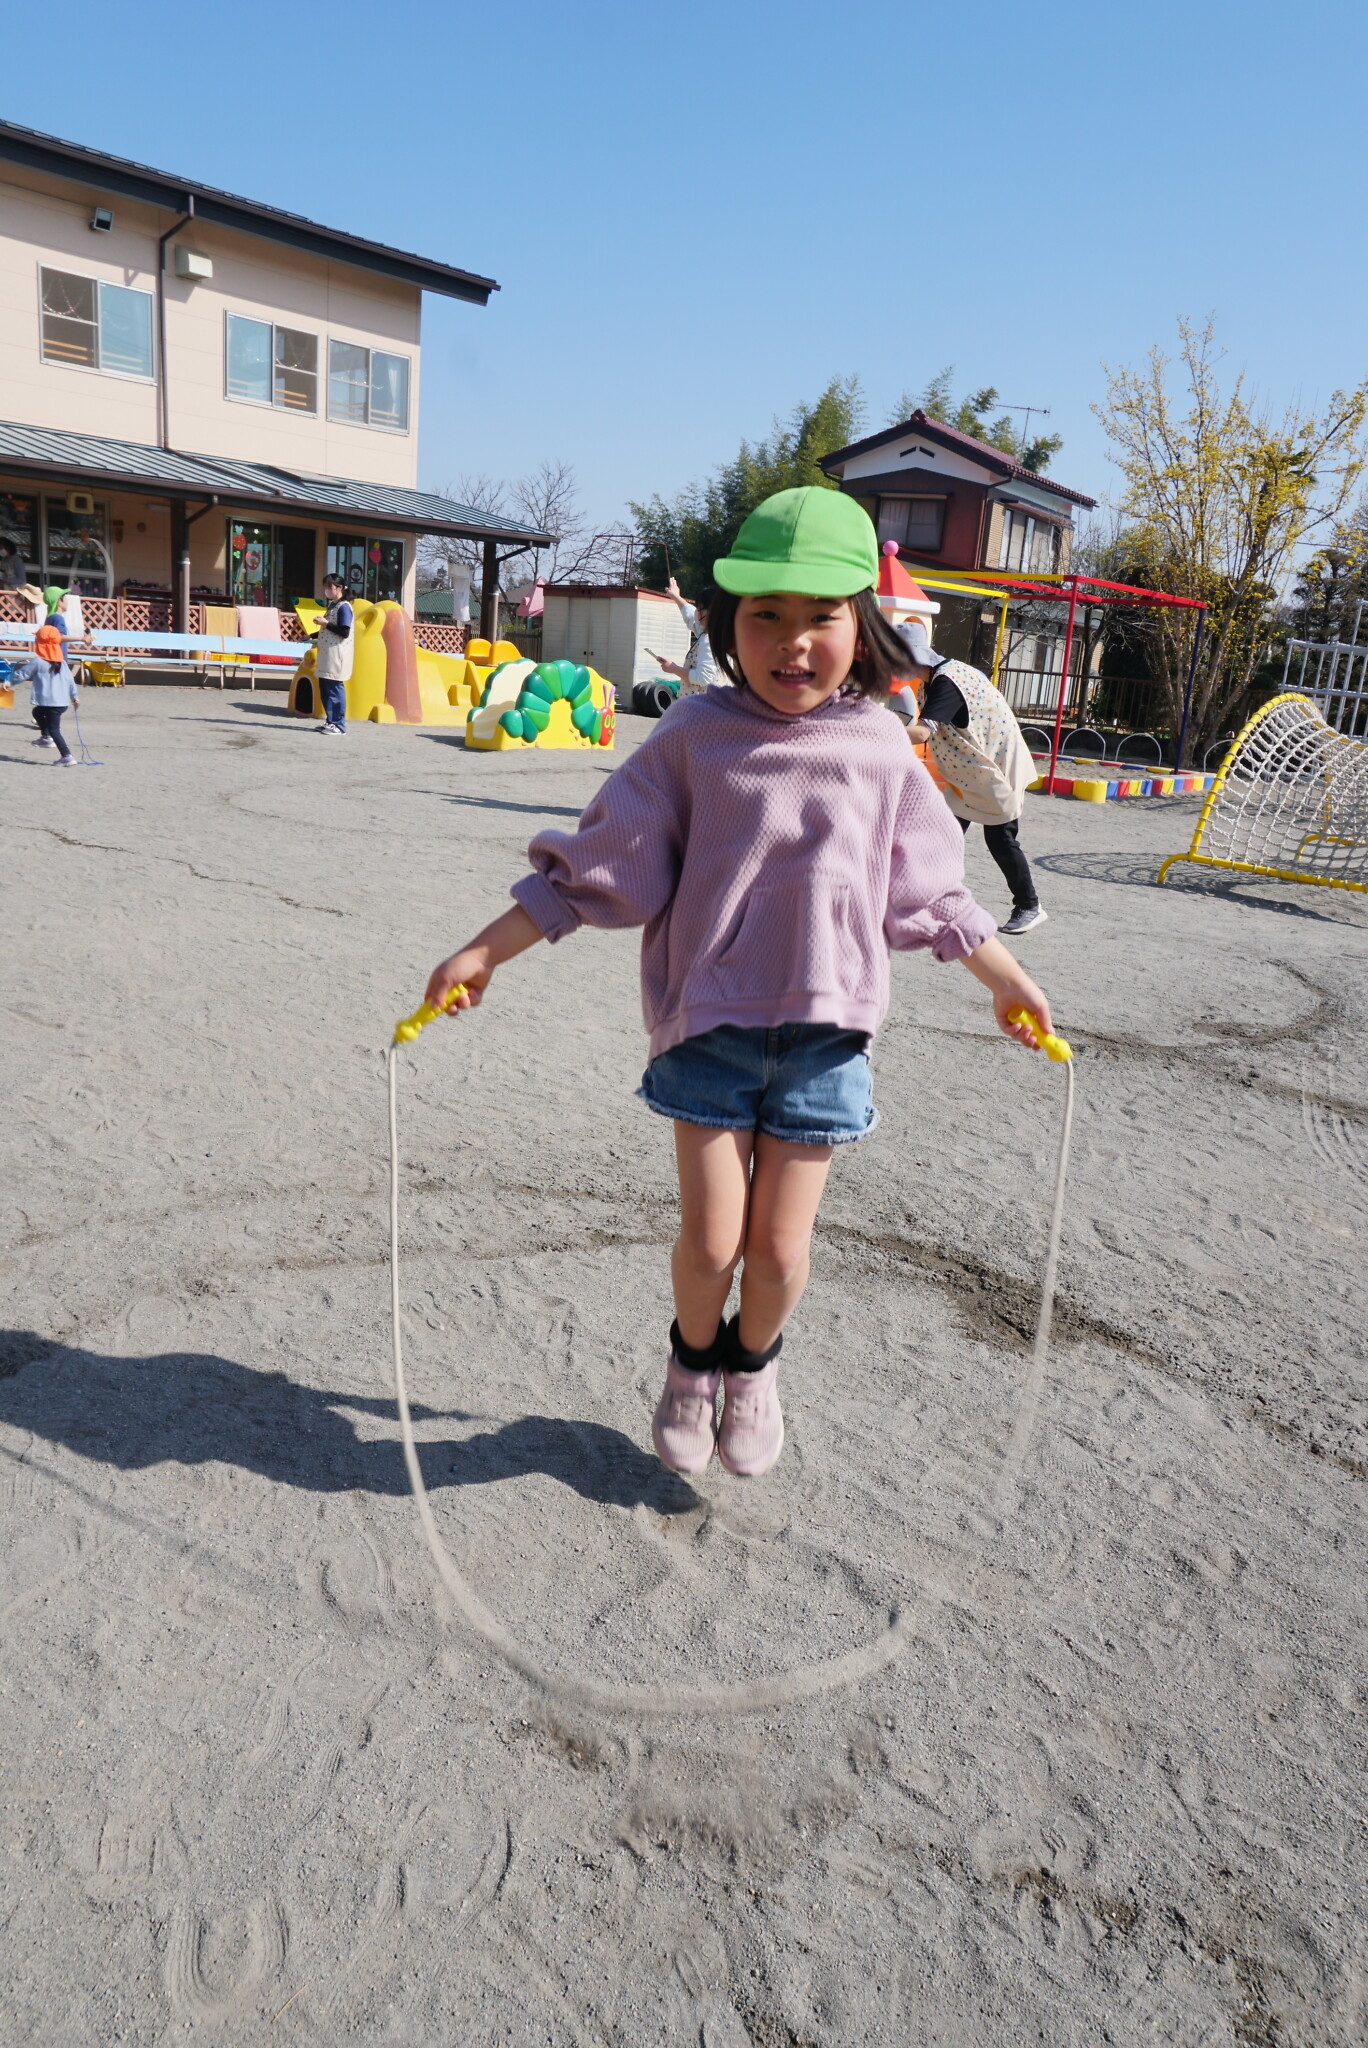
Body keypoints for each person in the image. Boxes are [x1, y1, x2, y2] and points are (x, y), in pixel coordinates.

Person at [421, 487, 1055, 1482]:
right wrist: (484, 950)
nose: (792, 641)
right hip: (708, 1032)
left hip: (826, 1042)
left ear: (862, 625)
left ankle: (753, 1368)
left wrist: (1004, 977)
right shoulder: (693, 736)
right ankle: (691, 1363)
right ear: (726, 623)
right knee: (713, 1241)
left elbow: (931, 889)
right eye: (766, 614)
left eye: (821, 616)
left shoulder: (882, 747)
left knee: (779, 1252)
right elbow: (603, 866)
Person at [895, 620, 1046, 936]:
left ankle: (1029, 905)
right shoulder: (936, 679)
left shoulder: (945, 683)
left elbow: (922, 733)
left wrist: (874, 728)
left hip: (996, 771)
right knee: (943, 835)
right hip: (971, 774)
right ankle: (926, 900)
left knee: (1001, 840)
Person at [15, 622, 79, 764]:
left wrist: (8, 683)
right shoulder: (62, 662)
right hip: (61, 702)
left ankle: (67, 756)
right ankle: (46, 737)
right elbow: (70, 680)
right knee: (37, 712)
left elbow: (22, 674)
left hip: (52, 703)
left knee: (55, 730)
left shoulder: (39, 661)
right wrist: (74, 696)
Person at [655, 577, 724, 697]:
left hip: (703, 706)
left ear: (711, 612)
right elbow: (691, 617)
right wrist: (676, 596)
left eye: (699, 608)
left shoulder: (709, 641)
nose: (696, 611)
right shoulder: (715, 635)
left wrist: (673, 668)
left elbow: (703, 677)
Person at [314, 572, 354, 735]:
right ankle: (330, 721)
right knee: (325, 688)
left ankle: (339, 724)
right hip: (326, 653)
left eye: (330, 586)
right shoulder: (332, 605)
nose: (327, 590)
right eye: (325, 586)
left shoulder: (344, 607)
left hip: (337, 653)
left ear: (340, 588)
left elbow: (344, 631)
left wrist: (325, 623)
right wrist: (311, 635)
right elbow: (329, 627)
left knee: (335, 688)